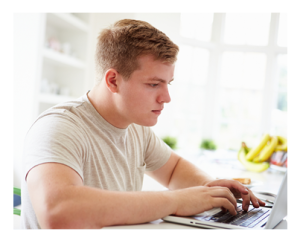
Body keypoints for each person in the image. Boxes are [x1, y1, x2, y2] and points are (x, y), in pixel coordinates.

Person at [21, 19, 265, 229]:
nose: (166, 97)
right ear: (113, 80)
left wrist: (209, 188)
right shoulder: (58, 127)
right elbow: (58, 212)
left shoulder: (136, 127)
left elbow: (173, 169)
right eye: (153, 84)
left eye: (168, 83)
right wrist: (177, 201)